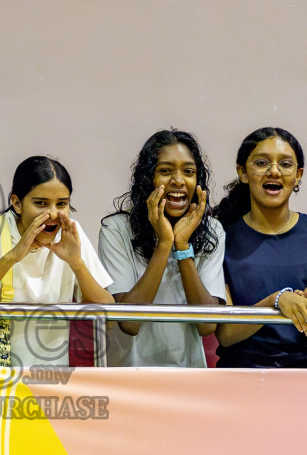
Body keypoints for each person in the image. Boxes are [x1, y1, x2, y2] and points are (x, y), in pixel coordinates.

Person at [0, 156, 114, 368]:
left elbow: (109, 313)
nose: (52, 214)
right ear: (17, 203)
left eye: (62, 204)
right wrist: (13, 256)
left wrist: (77, 264)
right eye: (41, 203)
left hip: (50, 378)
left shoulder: (71, 234)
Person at [211, 127, 307, 367]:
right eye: (261, 163)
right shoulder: (222, 238)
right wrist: (277, 300)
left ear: (298, 175)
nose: (274, 171)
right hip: (241, 380)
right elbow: (226, 335)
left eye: (285, 164)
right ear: (243, 172)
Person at [96, 129, 225, 367]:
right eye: (165, 171)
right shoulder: (116, 229)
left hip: (189, 378)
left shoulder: (213, 231)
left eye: (189, 172)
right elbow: (130, 324)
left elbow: (207, 325)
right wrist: (164, 244)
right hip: (129, 379)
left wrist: (182, 246)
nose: (178, 181)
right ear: (148, 179)